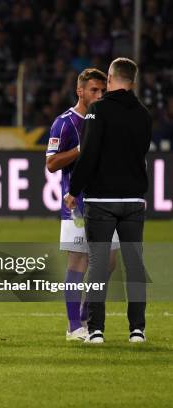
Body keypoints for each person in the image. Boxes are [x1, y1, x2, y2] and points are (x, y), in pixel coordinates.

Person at [65, 58, 152, 344]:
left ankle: (97, 329)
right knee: (135, 264)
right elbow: (140, 153)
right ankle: (137, 329)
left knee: (99, 264)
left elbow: (88, 156)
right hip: (133, 199)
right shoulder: (144, 114)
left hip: (101, 199)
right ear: (133, 82)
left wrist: (74, 190)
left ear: (111, 78)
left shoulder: (97, 111)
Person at [46, 68, 120, 341]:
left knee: (108, 263)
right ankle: (74, 326)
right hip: (77, 205)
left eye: (103, 90)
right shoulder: (65, 123)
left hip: (106, 202)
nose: (99, 95)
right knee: (79, 262)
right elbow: (51, 164)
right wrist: (81, 149)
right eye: (94, 90)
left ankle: (86, 314)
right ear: (80, 91)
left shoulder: (106, 120)